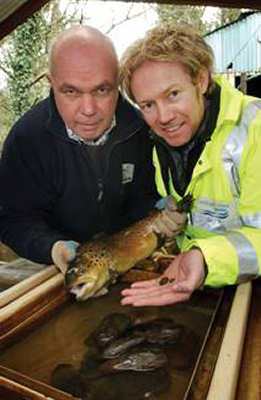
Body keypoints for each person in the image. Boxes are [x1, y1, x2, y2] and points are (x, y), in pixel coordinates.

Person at [0, 25, 186, 274]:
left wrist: (159, 212)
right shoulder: (27, 138)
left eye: (102, 90)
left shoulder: (142, 129)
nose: (88, 109)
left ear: (118, 82)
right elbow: (12, 219)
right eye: (71, 91)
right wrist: (52, 248)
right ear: (51, 83)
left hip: (124, 255)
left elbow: (144, 196)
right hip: (47, 265)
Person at [120, 23, 261, 307]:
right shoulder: (160, 145)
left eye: (173, 94)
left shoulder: (254, 130)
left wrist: (206, 257)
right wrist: (176, 230)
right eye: (147, 105)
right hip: (203, 285)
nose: (163, 117)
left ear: (201, 80)